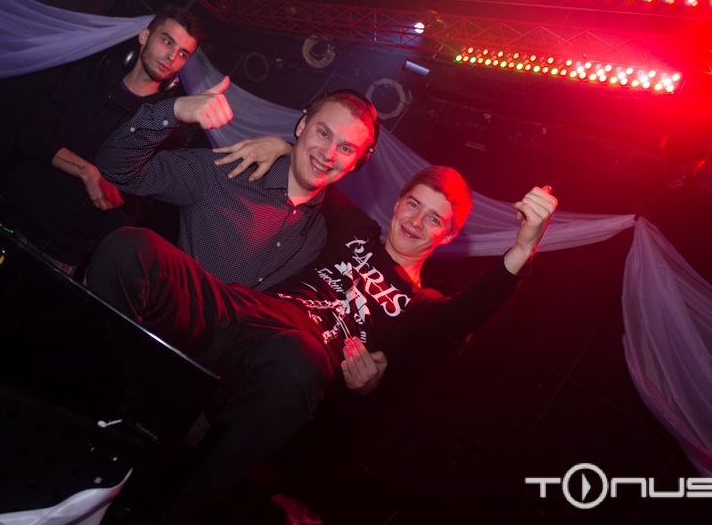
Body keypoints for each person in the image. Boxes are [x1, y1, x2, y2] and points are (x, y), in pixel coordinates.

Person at [86, 166, 558, 522]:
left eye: (434, 219)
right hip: (247, 313)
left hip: (297, 359)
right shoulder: (358, 231)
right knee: (134, 248)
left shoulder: (422, 307)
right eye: (414, 205)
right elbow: (323, 176)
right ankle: (93, 424)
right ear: (397, 203)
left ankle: (167, 510)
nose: (417, 222)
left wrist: (523, 248)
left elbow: (468, 312)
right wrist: (282, 146)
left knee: (301, 358)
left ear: (448, 235)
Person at [0, 5, 231, 274]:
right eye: (167, 41)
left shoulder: (167, 125)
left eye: (182, 54)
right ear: (144, 36)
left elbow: (134, 204)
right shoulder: (89, 77)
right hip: (10, 217)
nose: (171, 56)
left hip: (62, 253)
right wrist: (87, 172)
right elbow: (32, 135)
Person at [93, 89, 379, 290]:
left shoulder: (329, 232)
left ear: (356, 163)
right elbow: (115, 167)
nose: (328, 154)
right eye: (323, 133)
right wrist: (173, 110)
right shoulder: (225, 172)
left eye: (345, 148)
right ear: (302, 125)